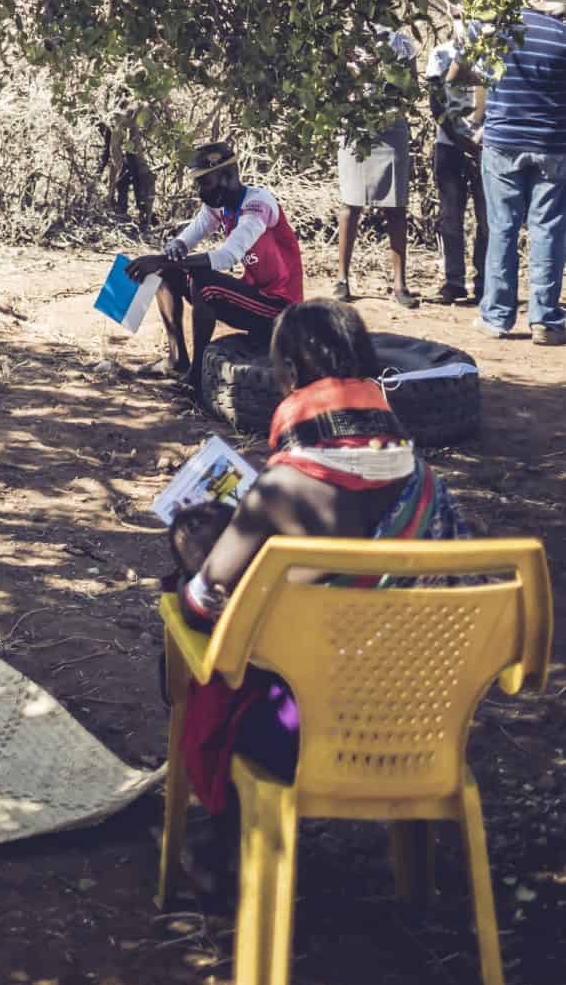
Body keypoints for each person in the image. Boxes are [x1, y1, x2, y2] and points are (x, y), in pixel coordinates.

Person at [166, 298, 468, 820]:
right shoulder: (428, 487)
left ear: (286, 377)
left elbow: (202, 607)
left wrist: (195, 567)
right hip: (421, 728)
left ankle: (216, 837)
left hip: (299, 736)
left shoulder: (281, 490)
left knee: (183, 615)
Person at [126, 140, 304, 397]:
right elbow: (189, 237)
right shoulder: (219, 205)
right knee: (166, 273)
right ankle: (177, 360)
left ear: (228, 176)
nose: (200, 191)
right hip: (254, 297)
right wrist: (172, 250)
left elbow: (228, 256)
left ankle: (198, 375)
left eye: (204, 183)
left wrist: (162, 259)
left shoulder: (259, 204)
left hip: (280, 309)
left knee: (205, 283)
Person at [476, 0, 566, 346]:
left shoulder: (497, 31)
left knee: (503, 228)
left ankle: (497, 316)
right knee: (548, 230)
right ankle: (544, 319)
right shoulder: (562, 37)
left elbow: (471, 75)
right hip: (553, 146)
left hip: (503, 142)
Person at [334, 28, 419, 308]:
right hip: (355, 126)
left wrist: (389, 72)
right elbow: (335, 85)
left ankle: (400, 284)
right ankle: (342, 279)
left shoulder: (403, 41)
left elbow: (411, 89)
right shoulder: (346, 38)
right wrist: (358, 71)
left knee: (396, 206)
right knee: (350, 204)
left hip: (391, 125)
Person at [426, 26, 487, 307]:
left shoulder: (493, 54)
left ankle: (485, 281)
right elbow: (436, 104)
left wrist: (480, 136)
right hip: (450, 144)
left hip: (486, 145)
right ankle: (454, 281)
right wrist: (460, 141)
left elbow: (497, 101)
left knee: (487, 220)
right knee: (451, 217)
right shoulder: (440, 54)